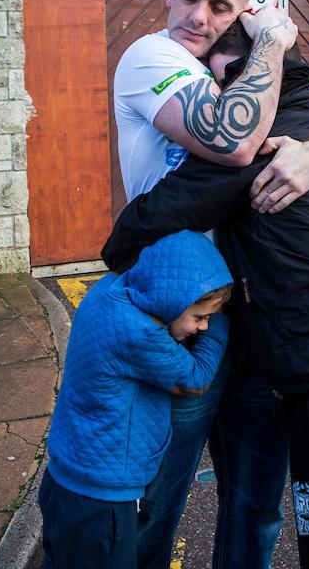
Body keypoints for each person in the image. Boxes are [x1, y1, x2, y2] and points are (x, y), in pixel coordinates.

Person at [103, 30, 309, 569]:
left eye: (229, 82)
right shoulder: (308, 119)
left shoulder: (261, 144)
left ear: (264, 79)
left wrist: (115, 256)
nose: (225, 100)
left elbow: (163, 209)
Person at [40, 230, 233, 569]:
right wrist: (223, 325)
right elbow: (196, 378)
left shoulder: (108, 291)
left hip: (64, 480)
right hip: (102, 501)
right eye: (200, 316)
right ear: (172, 301)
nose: (203, 327)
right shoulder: (139, 333)